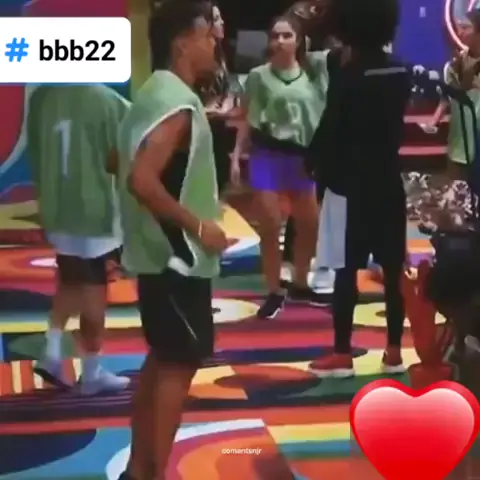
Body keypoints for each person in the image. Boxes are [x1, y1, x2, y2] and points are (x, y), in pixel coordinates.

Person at [116, 2, 228, 479]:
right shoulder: (177, 104)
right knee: (176, 367)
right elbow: (141, 180)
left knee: (163, 361)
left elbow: (121, 164)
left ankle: (138, 470)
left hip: (155, 257)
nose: (215, 40)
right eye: (207, 33)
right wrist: (199, 227)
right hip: (177, 261)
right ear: (183, 41)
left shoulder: (152, 93)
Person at [306, 0, 410, 377]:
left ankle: (341, 353)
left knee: (345, 269)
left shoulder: (348, 74)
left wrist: (314, 165)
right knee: (394, 269)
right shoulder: (401, 70)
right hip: (389, 179)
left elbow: (332, 127)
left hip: (348, 184)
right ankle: (394, 351)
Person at [26, 85, 131, 395]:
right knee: (94, 291)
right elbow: (122, 157)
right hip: (96, 211)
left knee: (70, 280)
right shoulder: (109, 101)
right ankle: (92, 372)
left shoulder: (43, 98)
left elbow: (36, 152)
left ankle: (52, 351)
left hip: (57, 206)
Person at [232, 15, 329, 319]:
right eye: (275, 36)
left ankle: (300, 281)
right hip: (267, 154)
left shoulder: (315, 73)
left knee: (309, 224)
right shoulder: (258, 76)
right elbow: (247, 119)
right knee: (271, 224)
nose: (280, 41)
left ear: (299, 41)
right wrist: (236, 156)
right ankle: (274, 289)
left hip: (302, 157)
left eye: (287, 35)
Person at [197, 1, 237, 195]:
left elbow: (227, 91)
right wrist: (210, 111)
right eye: (216, 19)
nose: (222, 22)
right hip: (200, 131)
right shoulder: (197, 59)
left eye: (220, 18)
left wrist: (227, 104)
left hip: (219, 130)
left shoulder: (221, 54)